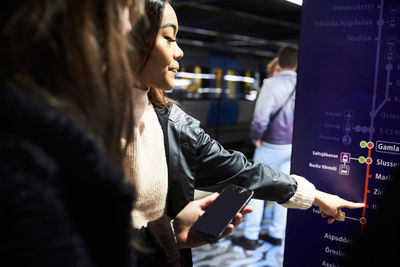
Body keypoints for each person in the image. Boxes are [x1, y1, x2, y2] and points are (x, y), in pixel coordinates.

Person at [0, 1, 250, 267]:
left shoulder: (48, 140)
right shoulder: (27, 163)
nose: (129, 29)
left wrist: (171, 235)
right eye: (125, 12)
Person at [126, 0, 364, 265]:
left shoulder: (172, 124)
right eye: (169, 38)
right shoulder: (79, 132)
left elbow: (241, 170)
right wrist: (169, 234)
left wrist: (315, 196)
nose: (179, 51)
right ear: (128, 40)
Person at [232, 47, 298, 262]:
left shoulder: (271, 84)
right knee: (287, 190)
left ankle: (251, 236)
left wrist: (255, 137)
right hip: (292, 145)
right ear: (297, 64)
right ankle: (276, 234)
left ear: (279, 62)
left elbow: (261, 117)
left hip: (270, 145)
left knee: (257, 188)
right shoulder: (305, 83)